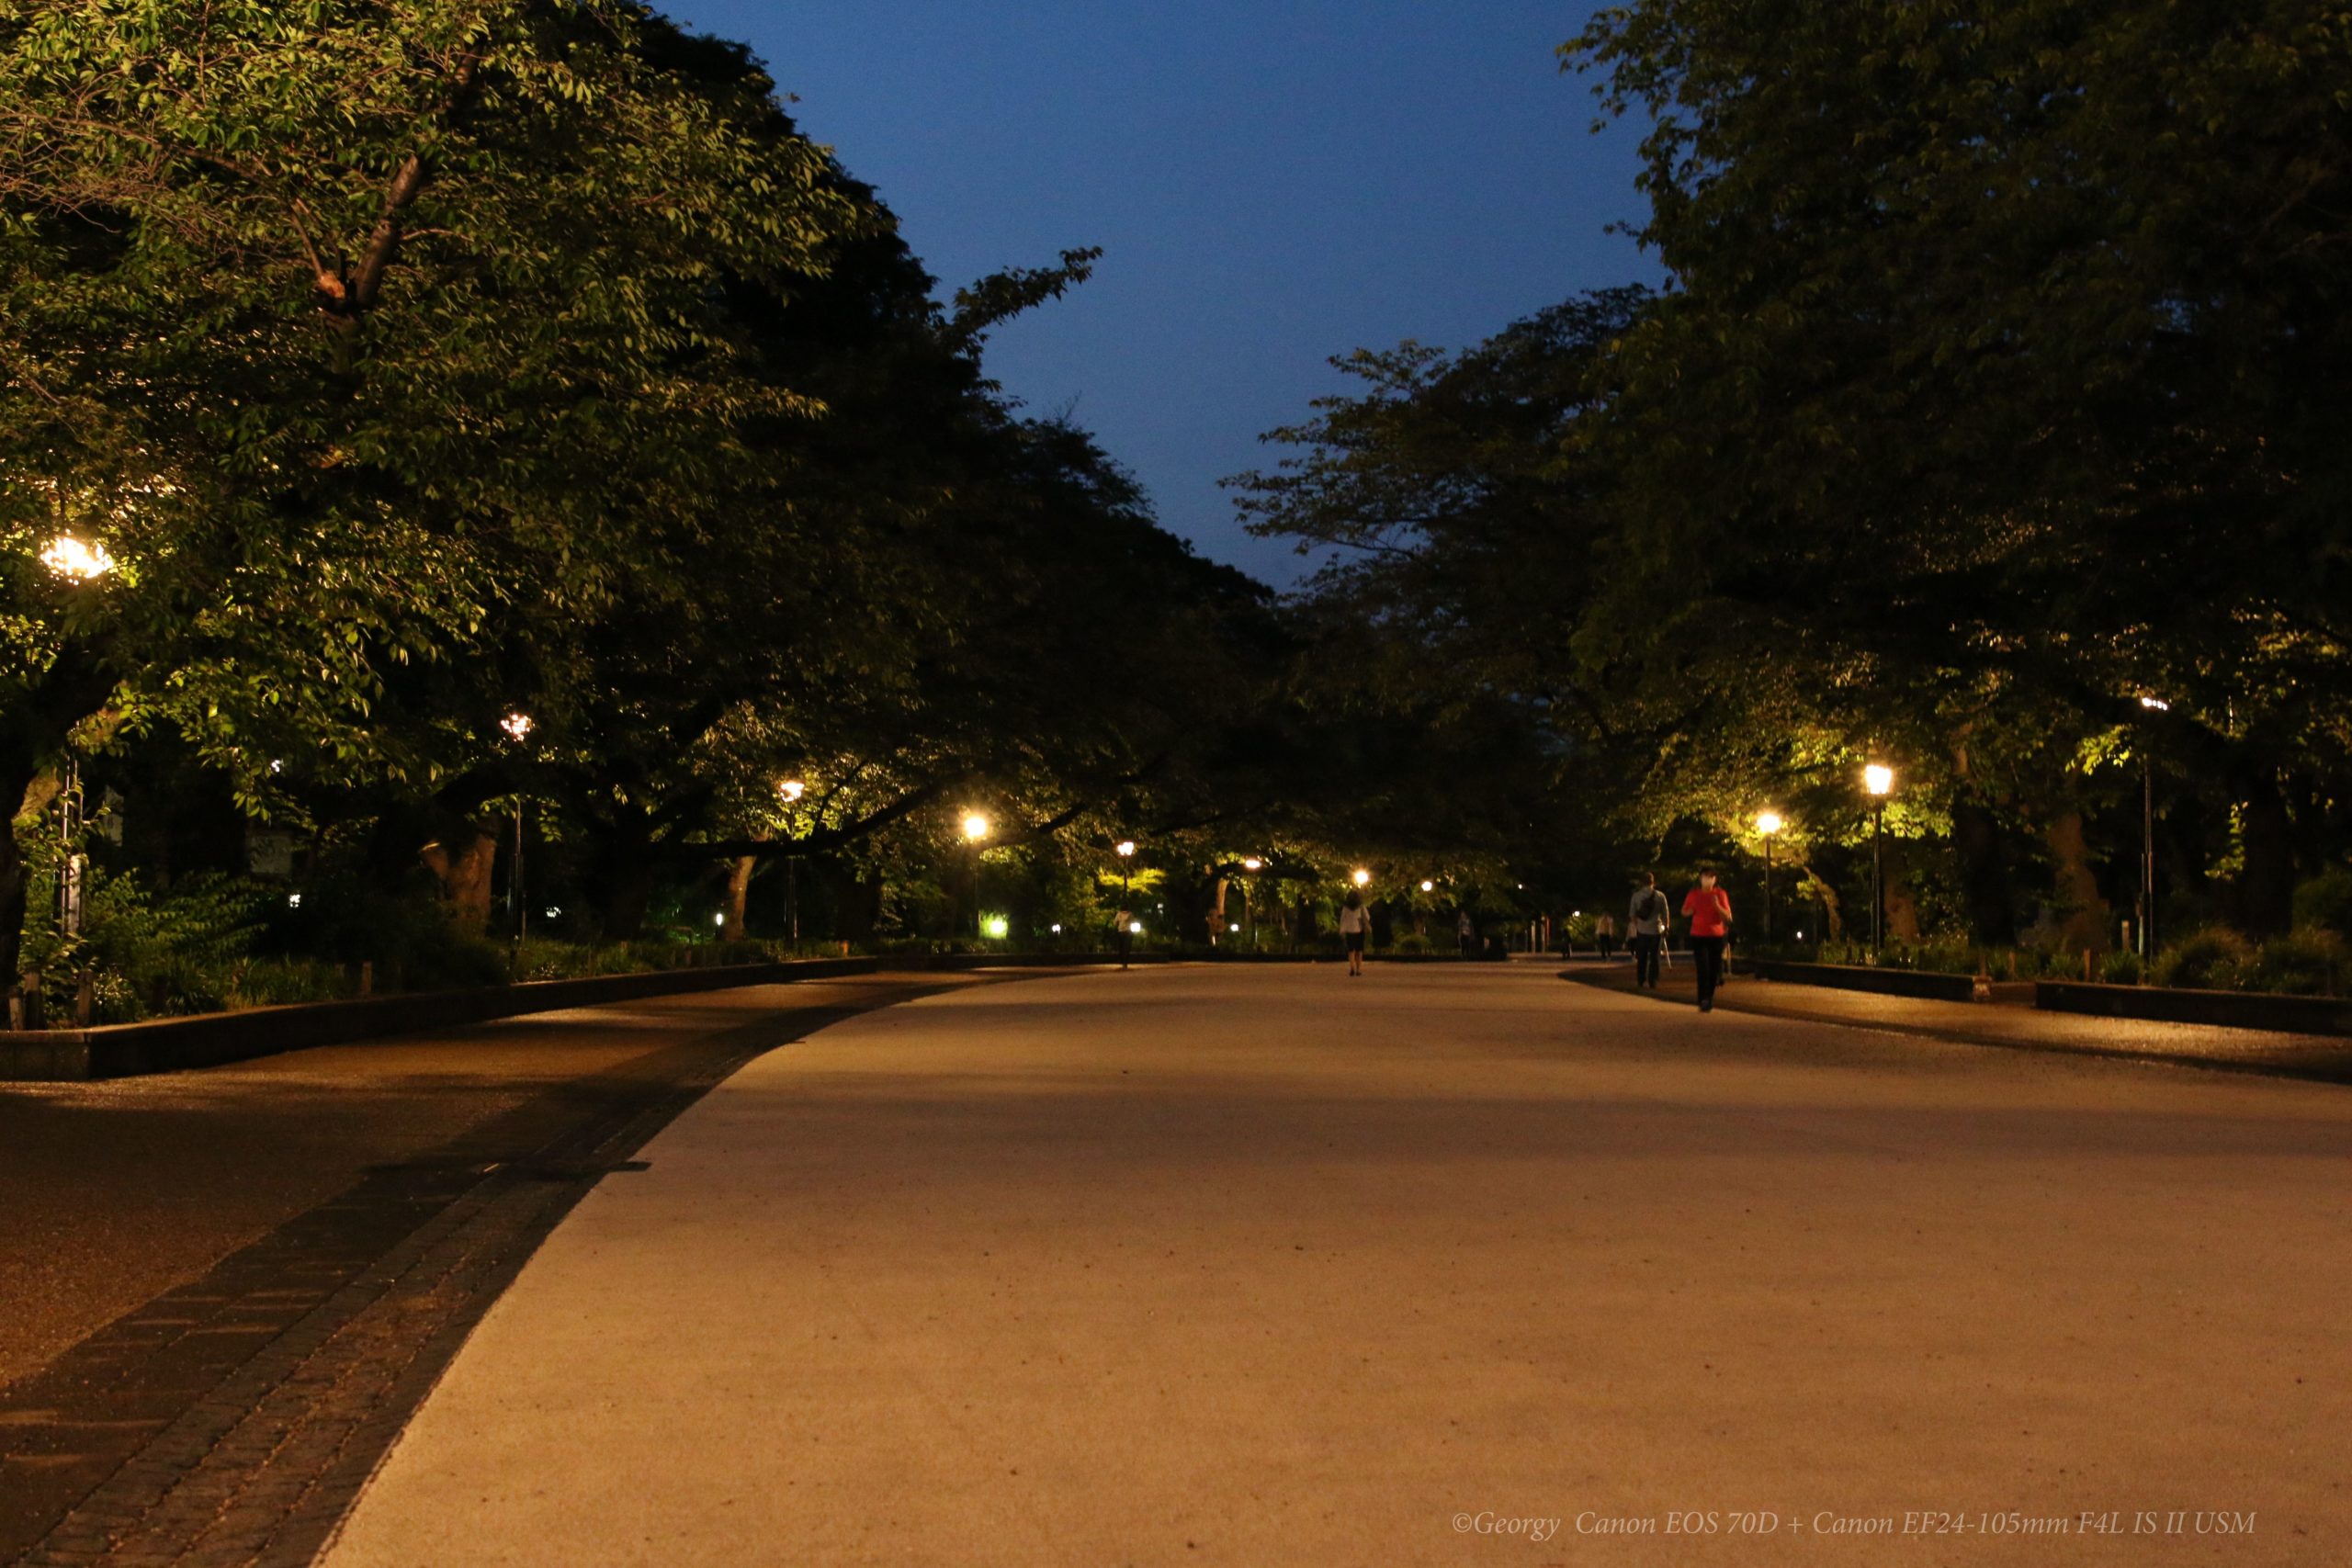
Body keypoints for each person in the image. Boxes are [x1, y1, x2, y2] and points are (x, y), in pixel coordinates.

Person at [1681, 869, 1733, 1012]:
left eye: (1711, 877)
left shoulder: (1720, 894)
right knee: (1703, 968)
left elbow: (1727, 917)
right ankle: (1703, 998)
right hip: (1698, 935)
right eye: (1705, 877)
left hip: (1716, 935)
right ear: (1700, 878)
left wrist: (1717, 905)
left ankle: (1708, 997)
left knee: (1714, 969)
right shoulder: (1694, 894)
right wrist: (1690, 911)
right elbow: (1684, 911)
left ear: (1715, 879)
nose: (1708, 880)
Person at [1627, 874, 1670, 989]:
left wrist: (1638, 925)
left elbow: (1632, 915)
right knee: (1655, 957)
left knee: (1642, 957)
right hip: (1656, 930)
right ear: (1653, 882)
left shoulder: (1636, 896)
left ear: (1642, 882)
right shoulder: (1660, 896)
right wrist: (1666, 927)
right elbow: (1666, 914)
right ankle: (1653, 980)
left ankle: (1641, 980)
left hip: (1642, 931)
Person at [1340, 889, 1371, 976]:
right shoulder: (1361, 906)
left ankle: (1352, 968)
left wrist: (1342, 930)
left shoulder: (1345, 908)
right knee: (1359, 950)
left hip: (1349, 930)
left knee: (1351, 951)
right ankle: (1358, 969)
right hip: (1359, 930)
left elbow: (1342, 919)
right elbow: (1367, 917)